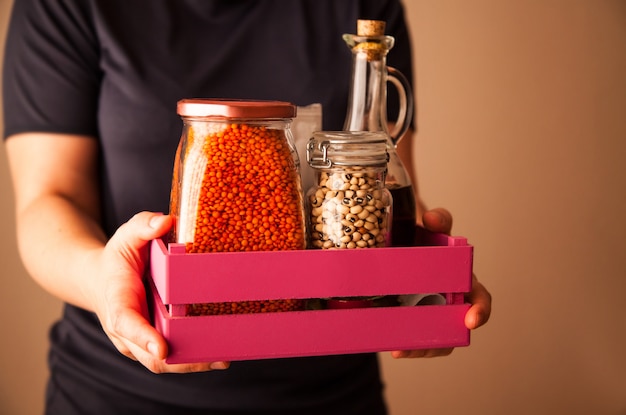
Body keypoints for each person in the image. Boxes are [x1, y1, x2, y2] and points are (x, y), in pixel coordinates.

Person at [2, 0, 491, 414]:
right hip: (117, 390)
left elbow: (380, 184)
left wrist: (420, 279)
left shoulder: (363, 7)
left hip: (327, 388)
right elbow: (49, 200)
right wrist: (107, 284)